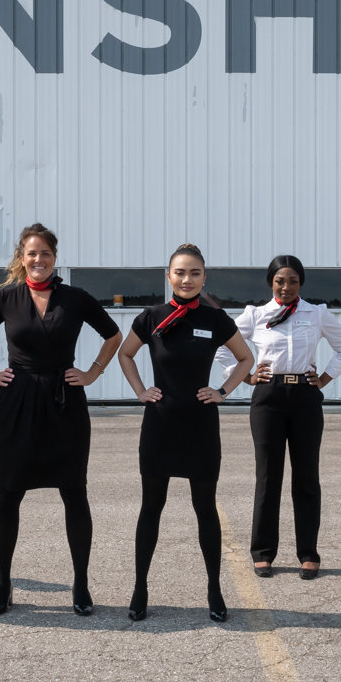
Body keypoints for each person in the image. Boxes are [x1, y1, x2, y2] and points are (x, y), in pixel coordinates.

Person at [0, 224, 123, 615]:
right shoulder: (6, 298)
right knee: (8, 494)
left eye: (46, 254)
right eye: (32, 254)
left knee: (74, 493)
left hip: (65, 400)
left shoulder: (75, 298)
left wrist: (92, 372)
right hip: (18, 401)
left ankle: (81, 584)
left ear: (55, 257)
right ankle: (3, 584)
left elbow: (113, 335)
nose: (39, 260)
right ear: (22, 258)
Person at [115, 245, 254, 621]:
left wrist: (223, 391)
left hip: (200, 427)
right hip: (159, 425)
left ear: (204, 277)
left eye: (195, 273)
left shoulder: (216, 319)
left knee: (205, 509)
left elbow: (247, 359)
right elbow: (124, 354)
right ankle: (140, 588)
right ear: (169, 276)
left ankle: (214, 589)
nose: (187, 279)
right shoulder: (151, 317)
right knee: (151, 509)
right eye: (180, 272)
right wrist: (141, 391)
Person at [216, 254, 341, 578]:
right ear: (271, 282)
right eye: (280, 280)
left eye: (293, 280)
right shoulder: (255, 315)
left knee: (306, 477)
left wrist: (324, 379)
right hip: (268, 400)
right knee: (268, 477)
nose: (287, 286)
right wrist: (247, 377)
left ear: (300, 283)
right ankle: (263, 552)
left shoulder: (316, 313)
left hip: (305, 399)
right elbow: (223, 348)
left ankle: (308, 552)